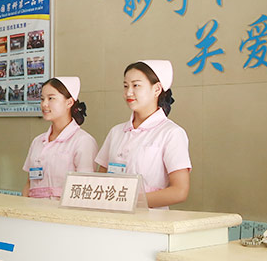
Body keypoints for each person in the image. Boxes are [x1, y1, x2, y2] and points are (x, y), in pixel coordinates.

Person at [95, 60, 191, 209]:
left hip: (151, 218)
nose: (128, 92)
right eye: (125, 86)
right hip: (112, 216)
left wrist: (128, 201)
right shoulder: (116, 132)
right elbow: (100, 180)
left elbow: (179, 191)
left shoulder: (171, 133)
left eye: (136, 85)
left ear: (157, 89)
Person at [22, 76, 98, 198]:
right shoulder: (38, 141)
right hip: (33, 208)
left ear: (69, 102)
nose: (44, 104)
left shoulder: (83, 141)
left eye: (51, 98)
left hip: (64, 209)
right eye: (42, 99)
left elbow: (85, 189)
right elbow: (29, 184)